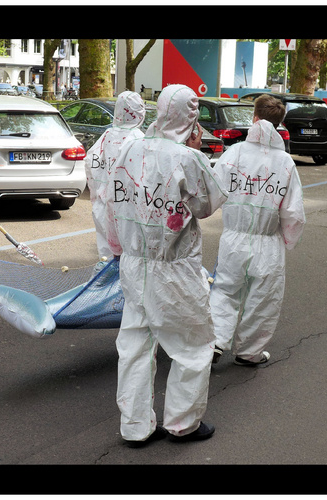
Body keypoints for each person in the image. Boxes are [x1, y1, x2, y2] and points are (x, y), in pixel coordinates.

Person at [100, 84, 228, 446]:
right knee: (191, 346)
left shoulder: (129, 149)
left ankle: (135, 426)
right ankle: (183, 423)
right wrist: (197, 151)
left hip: (134, 263)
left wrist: (117, 249)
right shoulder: (187, 158)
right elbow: (206, 206)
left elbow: (111, 202)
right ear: (191, 117)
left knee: (135, 345)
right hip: (173, 269)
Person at [208, 95, 305, 366]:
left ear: (253, 118)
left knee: (226, 290)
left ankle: (216, 340)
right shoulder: (285, 162)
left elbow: (213, 193)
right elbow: (293, 212)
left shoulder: (234, 154)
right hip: (267, 242)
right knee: (263, 298)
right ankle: (249, 352)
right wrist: (287, 239)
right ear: (280, 124)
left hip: (234, 239)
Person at [87, 91, 147, 260]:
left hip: (103, 206)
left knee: (106, 259)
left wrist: (97, 195)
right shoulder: (139, 139)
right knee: (129, 261)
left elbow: (90, 163)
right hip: (128, 210)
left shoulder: (107, 136)